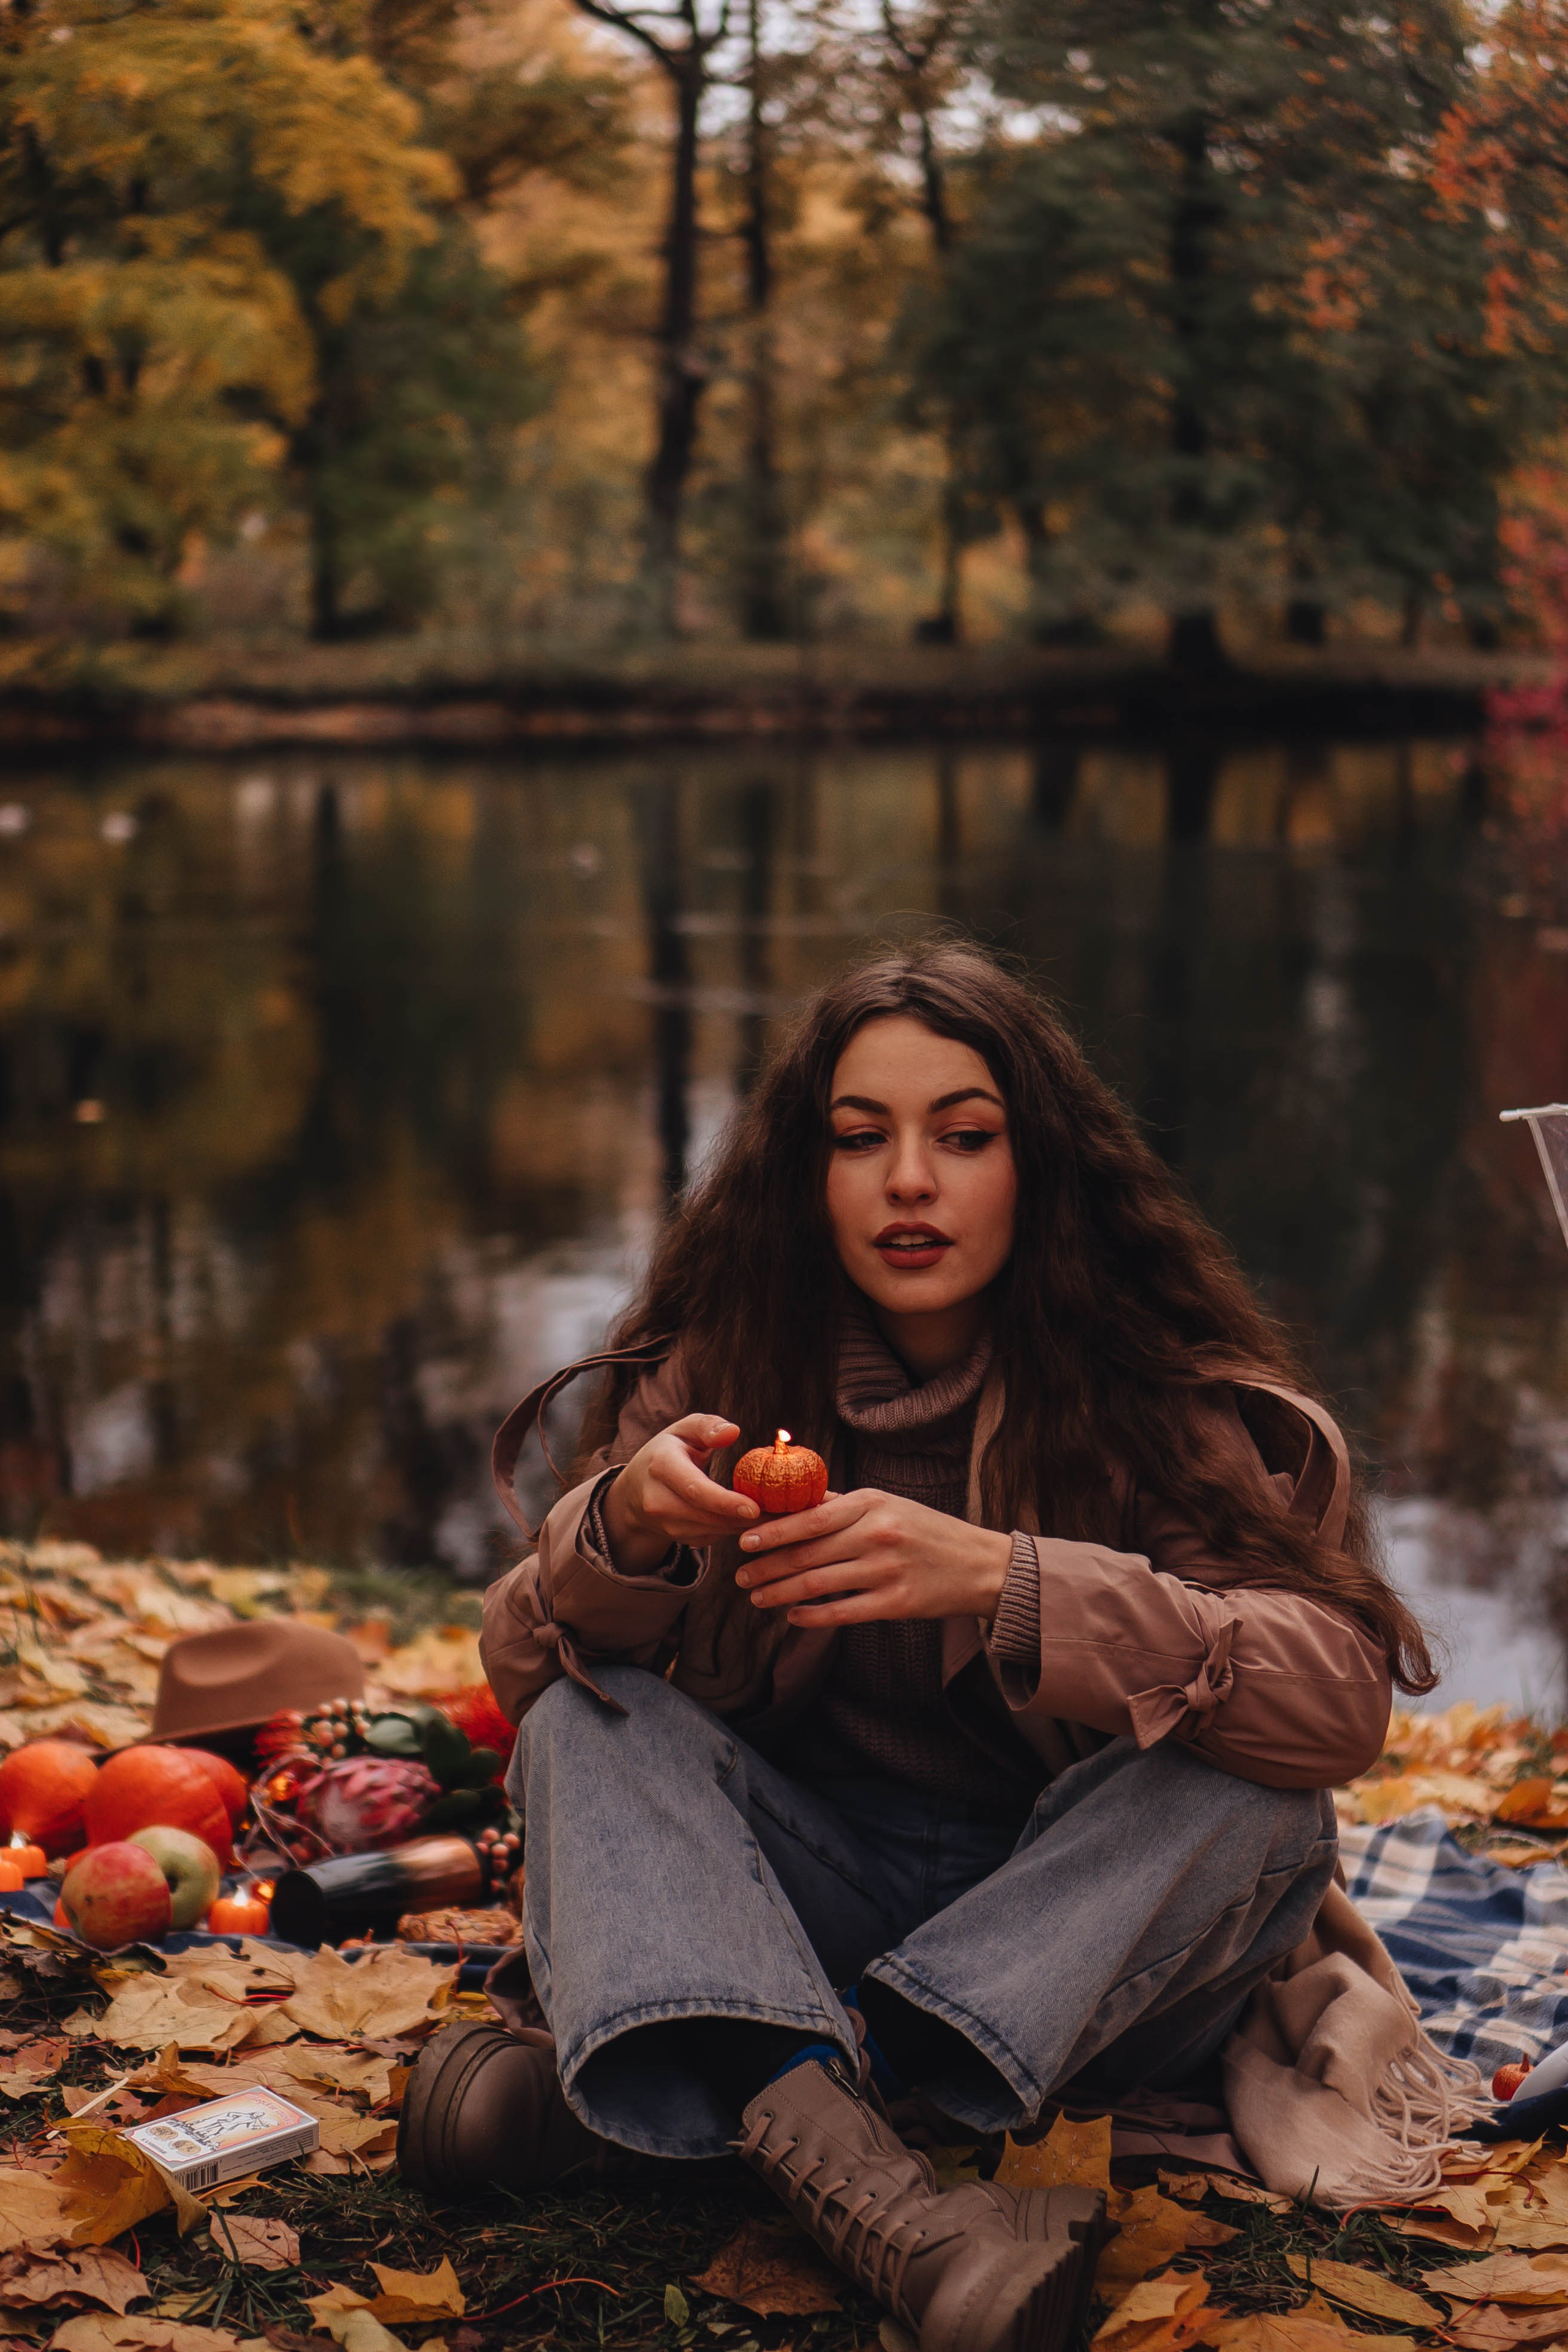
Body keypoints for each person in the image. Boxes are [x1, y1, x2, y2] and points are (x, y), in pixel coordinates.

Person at [434, 946, 1434, 2352]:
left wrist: (1008, 1582)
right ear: (809, 1175)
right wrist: (619, 1531)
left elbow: (1331, 1701)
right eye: (861, 1140)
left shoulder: (1144, 1386)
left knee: (1259, 1799)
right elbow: (525, 1673)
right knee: (585, 1720)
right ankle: (889, 2201)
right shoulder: (725, 1366)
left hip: (1070, 1940)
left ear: (1038, 1167)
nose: (908, 1181)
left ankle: (736, 2078)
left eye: (961, 1137)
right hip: (805, 1887)